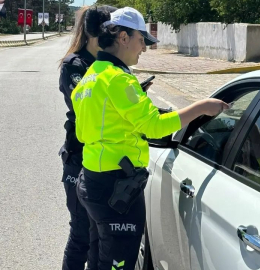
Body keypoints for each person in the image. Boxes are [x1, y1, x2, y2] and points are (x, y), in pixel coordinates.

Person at [71, 7, 229, 270]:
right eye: (141, 39)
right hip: (115, 185)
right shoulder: (118, 79)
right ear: (123, 38)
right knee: (117, 263)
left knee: (100, 259)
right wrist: (200, 107)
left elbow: (92, 127)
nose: (143, 48)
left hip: (92, 179)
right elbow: (154, 127)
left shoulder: (91, 76)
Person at [58, 5, 117, 270]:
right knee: (82, 233)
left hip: (105, 161)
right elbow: (85, 110)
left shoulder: (111, 64)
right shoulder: (74, 65)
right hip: (79, 158)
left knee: (100, 238)